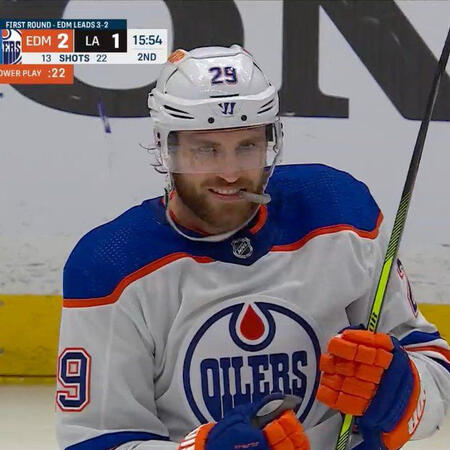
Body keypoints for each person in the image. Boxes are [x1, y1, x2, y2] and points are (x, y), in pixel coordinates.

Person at [56, 45, 450, 450]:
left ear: (270, 142)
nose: (230, 173)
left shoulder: (340, 212)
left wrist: (405, 391)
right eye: (206, 150)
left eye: (247, 147)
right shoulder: (111, 265)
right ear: (166, 148)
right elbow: (95, 440)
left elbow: (433, 365)